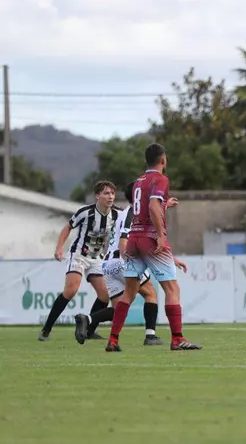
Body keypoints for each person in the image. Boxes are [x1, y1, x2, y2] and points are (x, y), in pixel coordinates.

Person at [105, 143, 200, 352]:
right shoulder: (161, 179)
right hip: (149, 237)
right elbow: (153, 206)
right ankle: (177, 338)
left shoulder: (138, 182)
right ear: (163, 159)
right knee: (172, 289)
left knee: (129, 293)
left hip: (134, 239)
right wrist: (161, 235)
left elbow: (143, 207)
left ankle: (112, 339)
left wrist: (165, 204)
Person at [73, 181, 168, 346]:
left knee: (119, 309)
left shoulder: (123, 213)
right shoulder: (132, 213)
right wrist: (130, 262)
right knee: (150, 294)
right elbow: (124, 241)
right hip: (122, 260)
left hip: (108, 264)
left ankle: (87, 319)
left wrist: (165, 205)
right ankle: (150, 335)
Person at [39, 181, 119, 341]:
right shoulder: (85, 212)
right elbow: (68, 227)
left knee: (104, 295)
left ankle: (88, 330)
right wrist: (59, 248)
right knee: (71, 290)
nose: (110, 196)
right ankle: (46, 329)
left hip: (96, 258)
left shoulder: (117, 214)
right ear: (97, 196)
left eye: (112, 193)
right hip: (78, 255)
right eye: (106, 193)